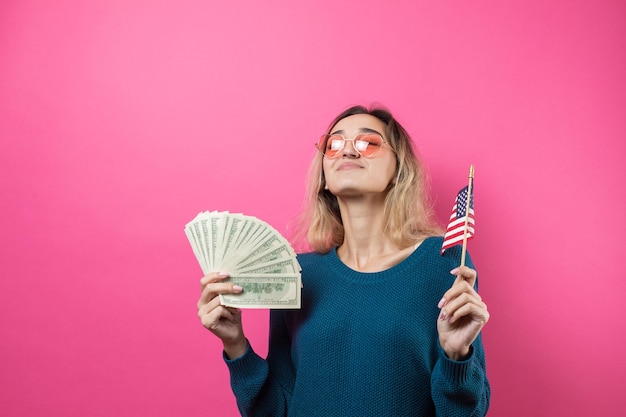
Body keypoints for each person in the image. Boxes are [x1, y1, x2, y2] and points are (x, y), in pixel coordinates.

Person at [197, 105, 491, 416]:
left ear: (398, 172)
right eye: (333, 145)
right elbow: (276, 409)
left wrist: (457, 356)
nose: (348, 152)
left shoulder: (442, 261)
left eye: (368, 143)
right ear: (324, 175)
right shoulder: (299, 274)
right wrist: (235, 345)